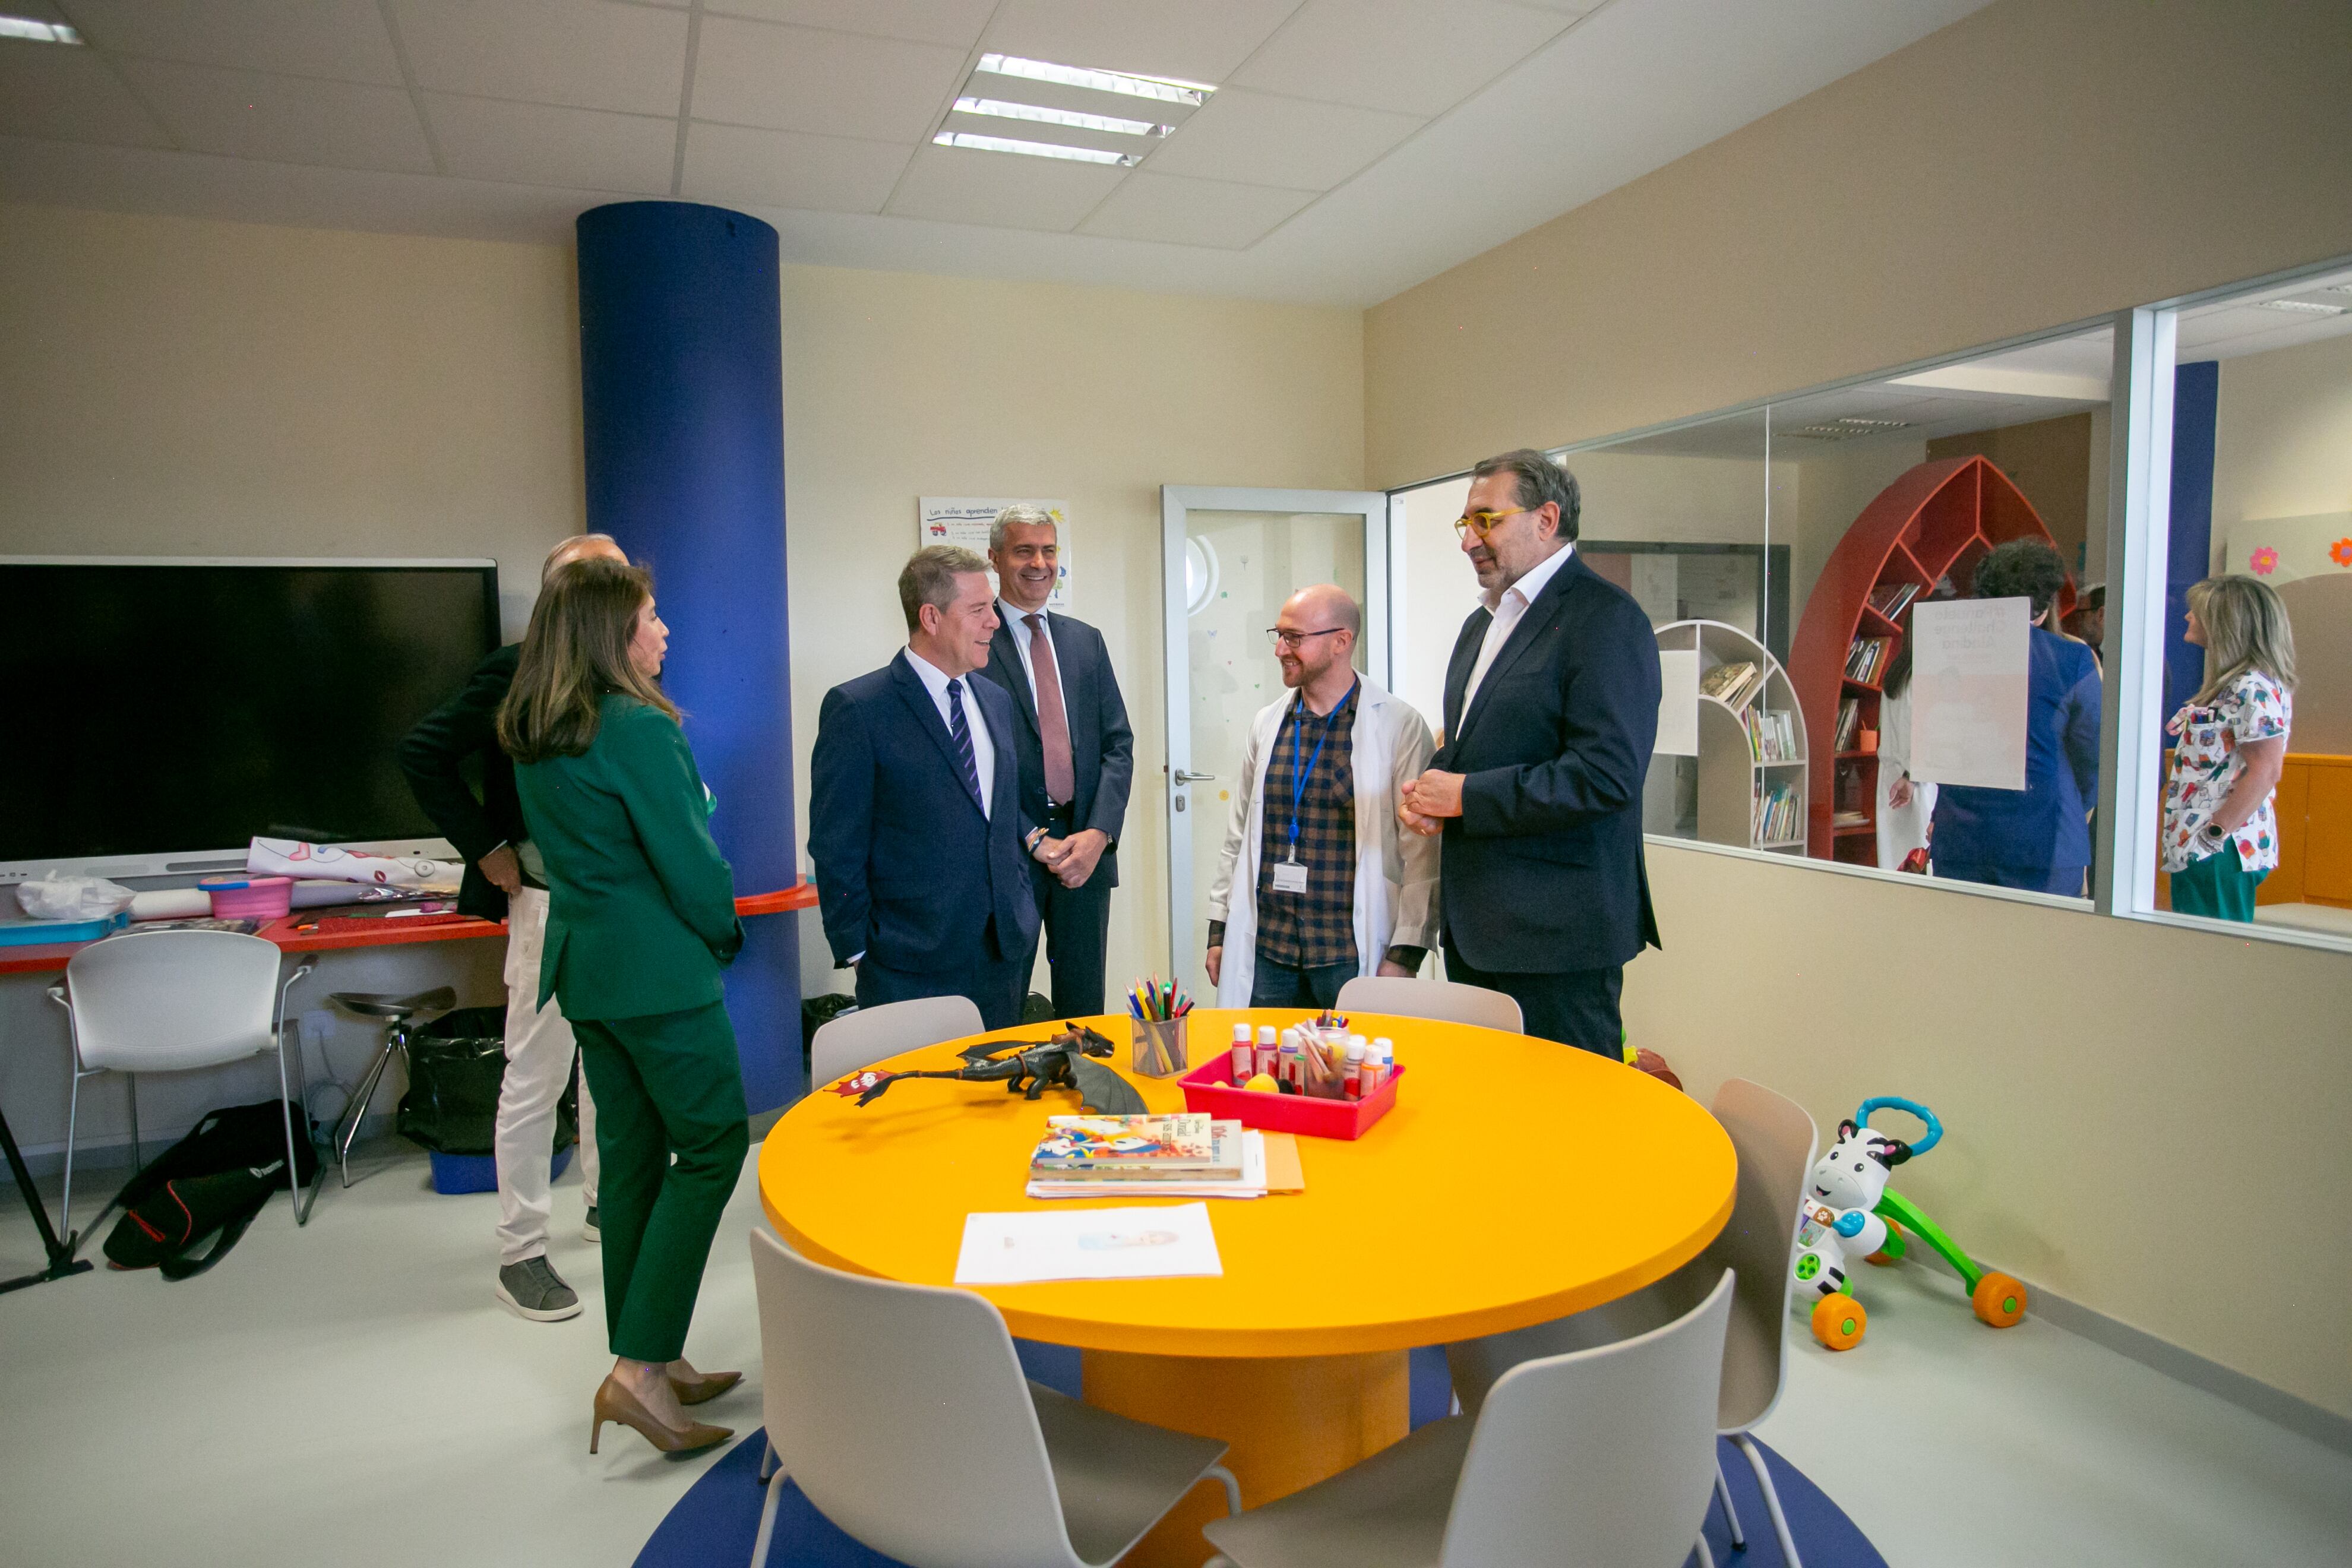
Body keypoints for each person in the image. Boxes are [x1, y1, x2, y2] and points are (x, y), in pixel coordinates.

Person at [501, 557, 747, 1456]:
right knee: (717, 1143)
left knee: (637, 1161)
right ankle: (640, 1370)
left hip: (589, 973)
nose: (665, 631)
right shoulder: (639, 727)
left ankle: (653, 1352)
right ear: (614, 633)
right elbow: (690, 861)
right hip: (658, 975)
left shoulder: (536, 728)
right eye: (651, 616)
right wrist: (722, 932)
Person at [397, 532, 623, 1324]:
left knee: (611, 1064)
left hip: (616, 903)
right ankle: (522, 1249)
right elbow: (422, 752)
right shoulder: (515, 669)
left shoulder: (622, 668)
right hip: (545, 900)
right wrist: (488, 848)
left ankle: (605, 1204)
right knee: (538, 1070)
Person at [1399, 450, 1662, 1057]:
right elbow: (1468, 748)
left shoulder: (1606, 620)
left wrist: (1466, 797)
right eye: (1466, 524)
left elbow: (1606, 776)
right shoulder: (1481, 626)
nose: (1469, 541)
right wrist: (1433, 788)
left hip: (1558, 938)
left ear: (1547, 520)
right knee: (1492, 1120)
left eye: (1486, 520)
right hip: (1478, 929)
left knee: (1565, 1130)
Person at [810, 546, 1044, 1030]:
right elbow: (836, 845)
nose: (995, 623)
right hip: (906, 962)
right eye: (979, 610)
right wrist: (858, 952)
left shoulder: (995, 701)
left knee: (996, 1098)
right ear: (931, 617)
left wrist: (1019, 905)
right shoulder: (859, 709)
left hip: (1003, 952)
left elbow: (997, 817)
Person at [1205, 586, 1439, 1009]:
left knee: (1349, 1072)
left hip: (1347, 953)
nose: (1279, 649)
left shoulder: (1399, 726)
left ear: (1341, 641)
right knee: (1264, 1072)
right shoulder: (1267, 723)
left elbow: (1421, 851)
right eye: (1278, 635)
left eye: (1294, 638)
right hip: (1269, 949)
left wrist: (1406, 954)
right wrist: (1219, 930)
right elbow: (1238, 835)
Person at [978, 504, 1134, 1017]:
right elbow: (972, 765)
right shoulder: (976, 641)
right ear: (996, 559)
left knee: (1085, 1008)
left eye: (1048, 550)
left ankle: (1082, 1094)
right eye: (1024, 550)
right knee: (1001, 1007)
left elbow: (1118, 745)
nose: (1039, 562)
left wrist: (1100, 834)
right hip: (1009, 851)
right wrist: (1030, 836)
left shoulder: (1084, 641)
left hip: (1085, 851)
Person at [1929, 539, 2101, 896]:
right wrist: (2074, 805)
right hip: (2047, 833)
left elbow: (1940, 741)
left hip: (1961, 834)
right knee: (2043, 948)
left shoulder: (1944, 654)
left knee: (1966, 947)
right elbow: (2092, 755)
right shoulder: (2072, 660)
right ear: (2043, 606)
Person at [2163, 576, 2296, 921]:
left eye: (2198, 611)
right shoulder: (2237, 685)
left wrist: (2214, 835)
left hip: (2222, 848)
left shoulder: (2252, 687)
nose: (2187, 616)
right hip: (2205, 844)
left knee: (2214, 959)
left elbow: (2266, 771)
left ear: (2226, 622)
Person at [1877, 602, 1939, 871]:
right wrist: (1912, 774)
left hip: (1891, 780)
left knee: (1894, 866)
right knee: (1920, 868)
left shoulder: (1897, 672)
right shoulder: (1927, 676)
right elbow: (1922, 733)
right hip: (1916, 782)